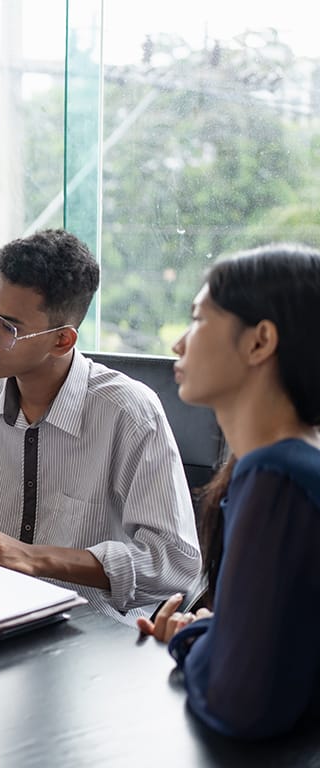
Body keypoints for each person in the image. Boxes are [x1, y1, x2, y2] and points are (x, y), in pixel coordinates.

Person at [0, 229, 201, 622]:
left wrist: (34, 558)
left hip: (93, 632)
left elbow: (173, 563)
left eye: (7, 327)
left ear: (62, 341)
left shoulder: (129, 414)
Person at [135, 244, 320, 739]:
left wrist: (197, 638)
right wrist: (218, 637)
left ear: (260, 342)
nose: (178, 343)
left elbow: (240, 702)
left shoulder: (275, 476)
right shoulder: (290, 465)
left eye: (198, 320)